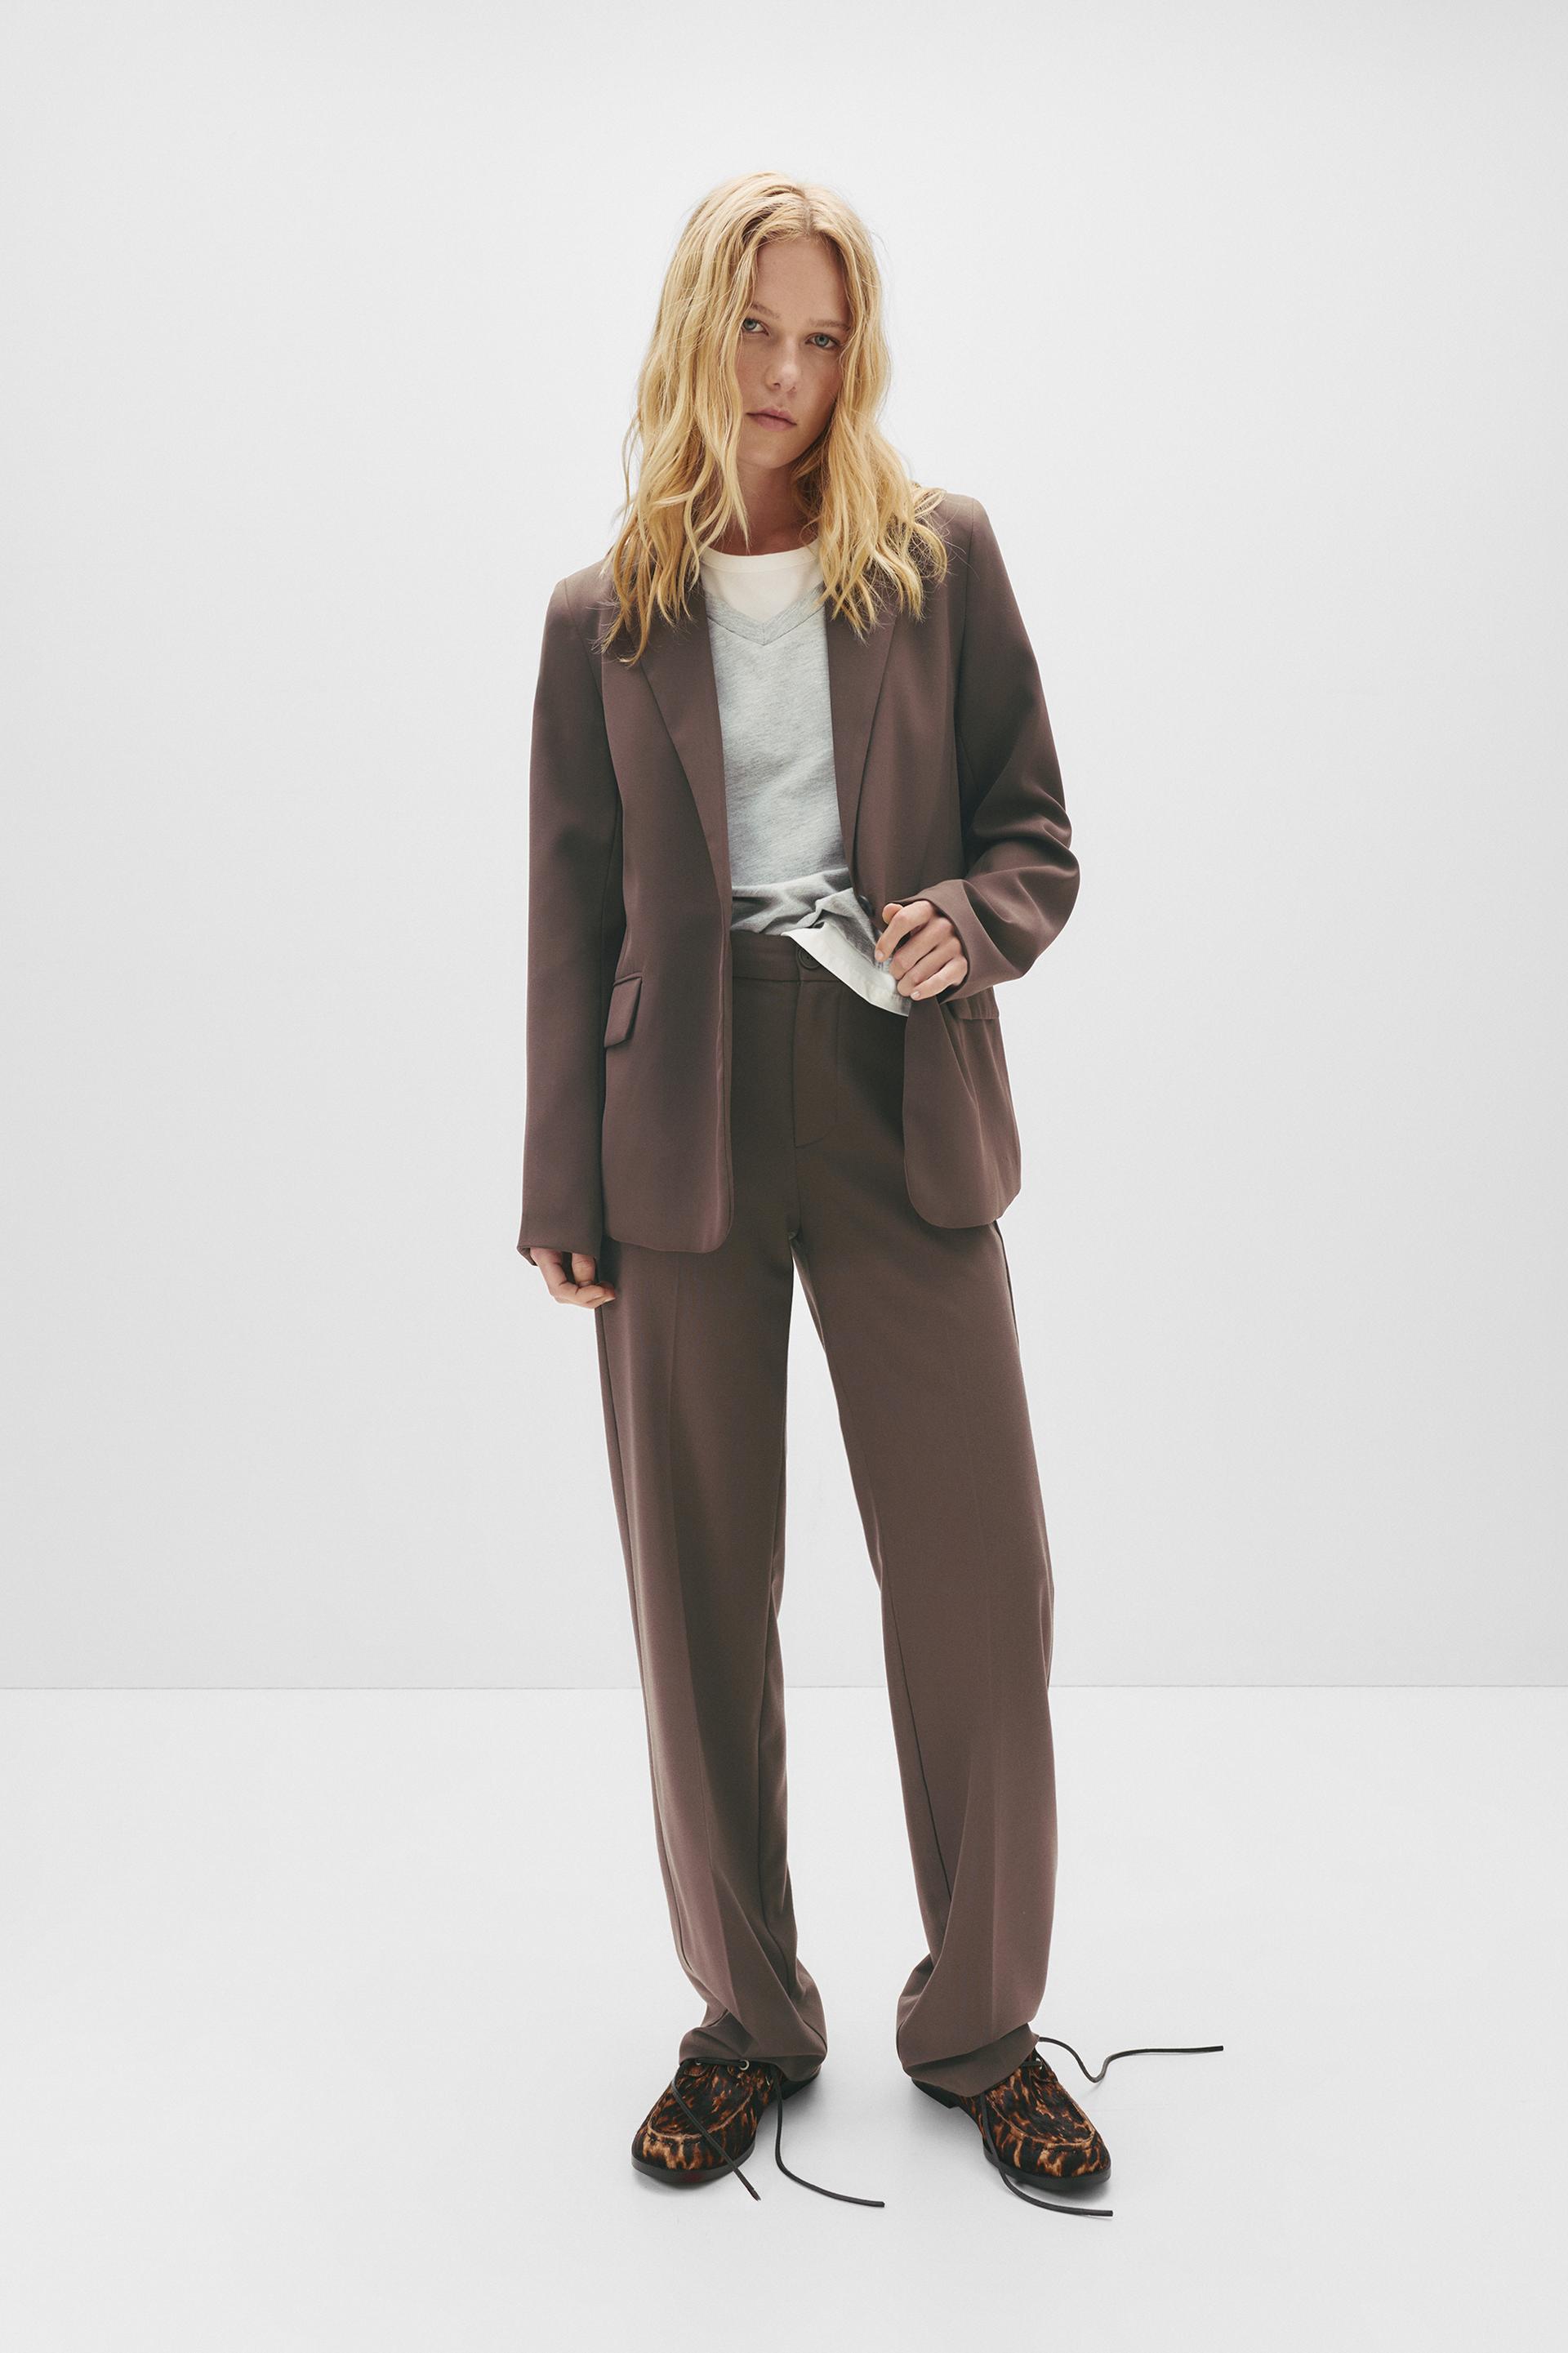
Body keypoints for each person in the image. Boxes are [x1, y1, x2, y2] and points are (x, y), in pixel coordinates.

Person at [517, 172, 1218, 2213]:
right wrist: (557, 1178)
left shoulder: (940, 559)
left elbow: (1037, 834)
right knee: (697, 1591)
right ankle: (745, 2019)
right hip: (676, 1121)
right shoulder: (598, 616)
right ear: (696, 328)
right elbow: (569, 911)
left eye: (824, 339)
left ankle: (982, 2027)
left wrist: (966, 927)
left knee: (982, 1576)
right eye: (758, 329)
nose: (789, 374)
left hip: (898, 1083)